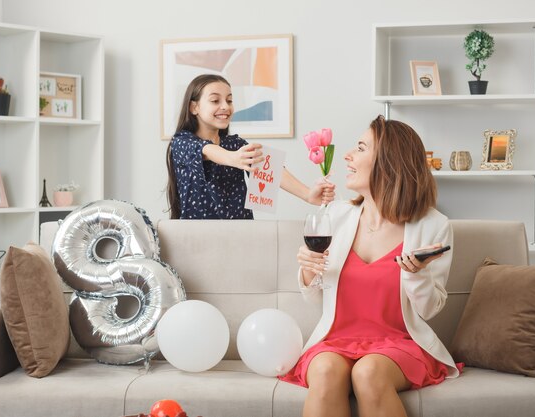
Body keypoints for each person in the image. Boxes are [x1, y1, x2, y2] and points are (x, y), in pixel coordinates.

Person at [279, 115, 462, 417]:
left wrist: (414, 274)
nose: (348, 156)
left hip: (398, 344)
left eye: (361, 148)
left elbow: (430, 309)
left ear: (390, 162)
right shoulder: (335, 216)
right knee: (324, 371)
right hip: (335, 341)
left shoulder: (433, 226)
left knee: (368, 372)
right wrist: (310, 269)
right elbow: (315, 298)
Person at [166, 74, 335, 219]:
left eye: (229, 100)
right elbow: (207, 150)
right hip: (197, 239)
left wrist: (308, 194)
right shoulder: (182, 142)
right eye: (215, 100)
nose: (225, 106)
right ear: (194, 107)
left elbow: (271, 170)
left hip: (242, 236)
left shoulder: (235, 145)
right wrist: (233, 158)